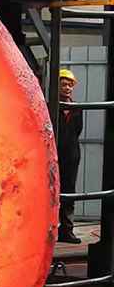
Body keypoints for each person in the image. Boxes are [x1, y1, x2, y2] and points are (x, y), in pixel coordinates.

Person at [57, 68, 83, 244]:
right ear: (57, 86)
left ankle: (67, 231)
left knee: (69, 192)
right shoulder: (51, 106)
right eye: (64, 84)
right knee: (51, 192)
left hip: (71, 155)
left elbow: (77, 130)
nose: (67, 88)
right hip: (54, 154)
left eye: (70, 85)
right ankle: (49, 229)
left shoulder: (77, 108)